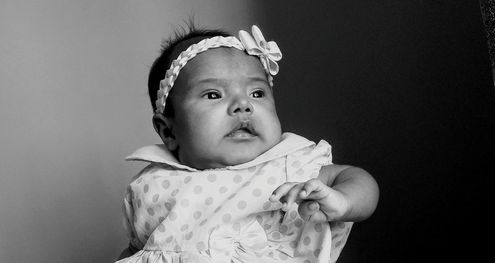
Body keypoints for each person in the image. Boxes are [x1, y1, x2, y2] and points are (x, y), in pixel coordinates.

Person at [116, 24, 379, 263]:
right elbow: (136, 251)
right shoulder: (150, 184)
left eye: (257, 93)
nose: (244, 105)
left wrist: (343, 201)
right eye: (213, 94)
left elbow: (357, 178)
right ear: (168, 131)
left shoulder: (288, 167)